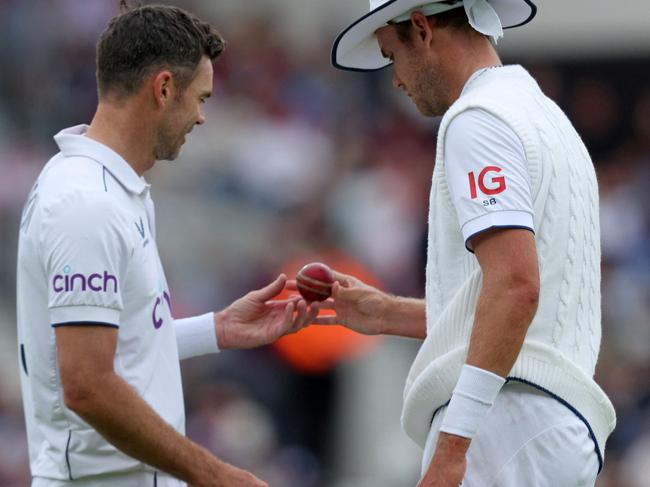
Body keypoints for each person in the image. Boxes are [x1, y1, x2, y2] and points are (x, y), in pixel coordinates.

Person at [16, 3, 316, 487]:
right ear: (162, 89)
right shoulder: (85, 203)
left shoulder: (111, 189)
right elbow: (88, 386)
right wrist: (216, 475)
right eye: (200, 98)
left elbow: (120, 346)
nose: (201, 117)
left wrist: (217, 329)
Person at [319, 0, 617, 485]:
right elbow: (527, 302)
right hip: (551, 424)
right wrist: (389, 313)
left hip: (505, 419)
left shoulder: (477, 118)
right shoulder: (548, 119)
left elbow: (517, 288)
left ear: (421, 28)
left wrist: (454, 443)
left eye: (392, 55)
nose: (395, 79)